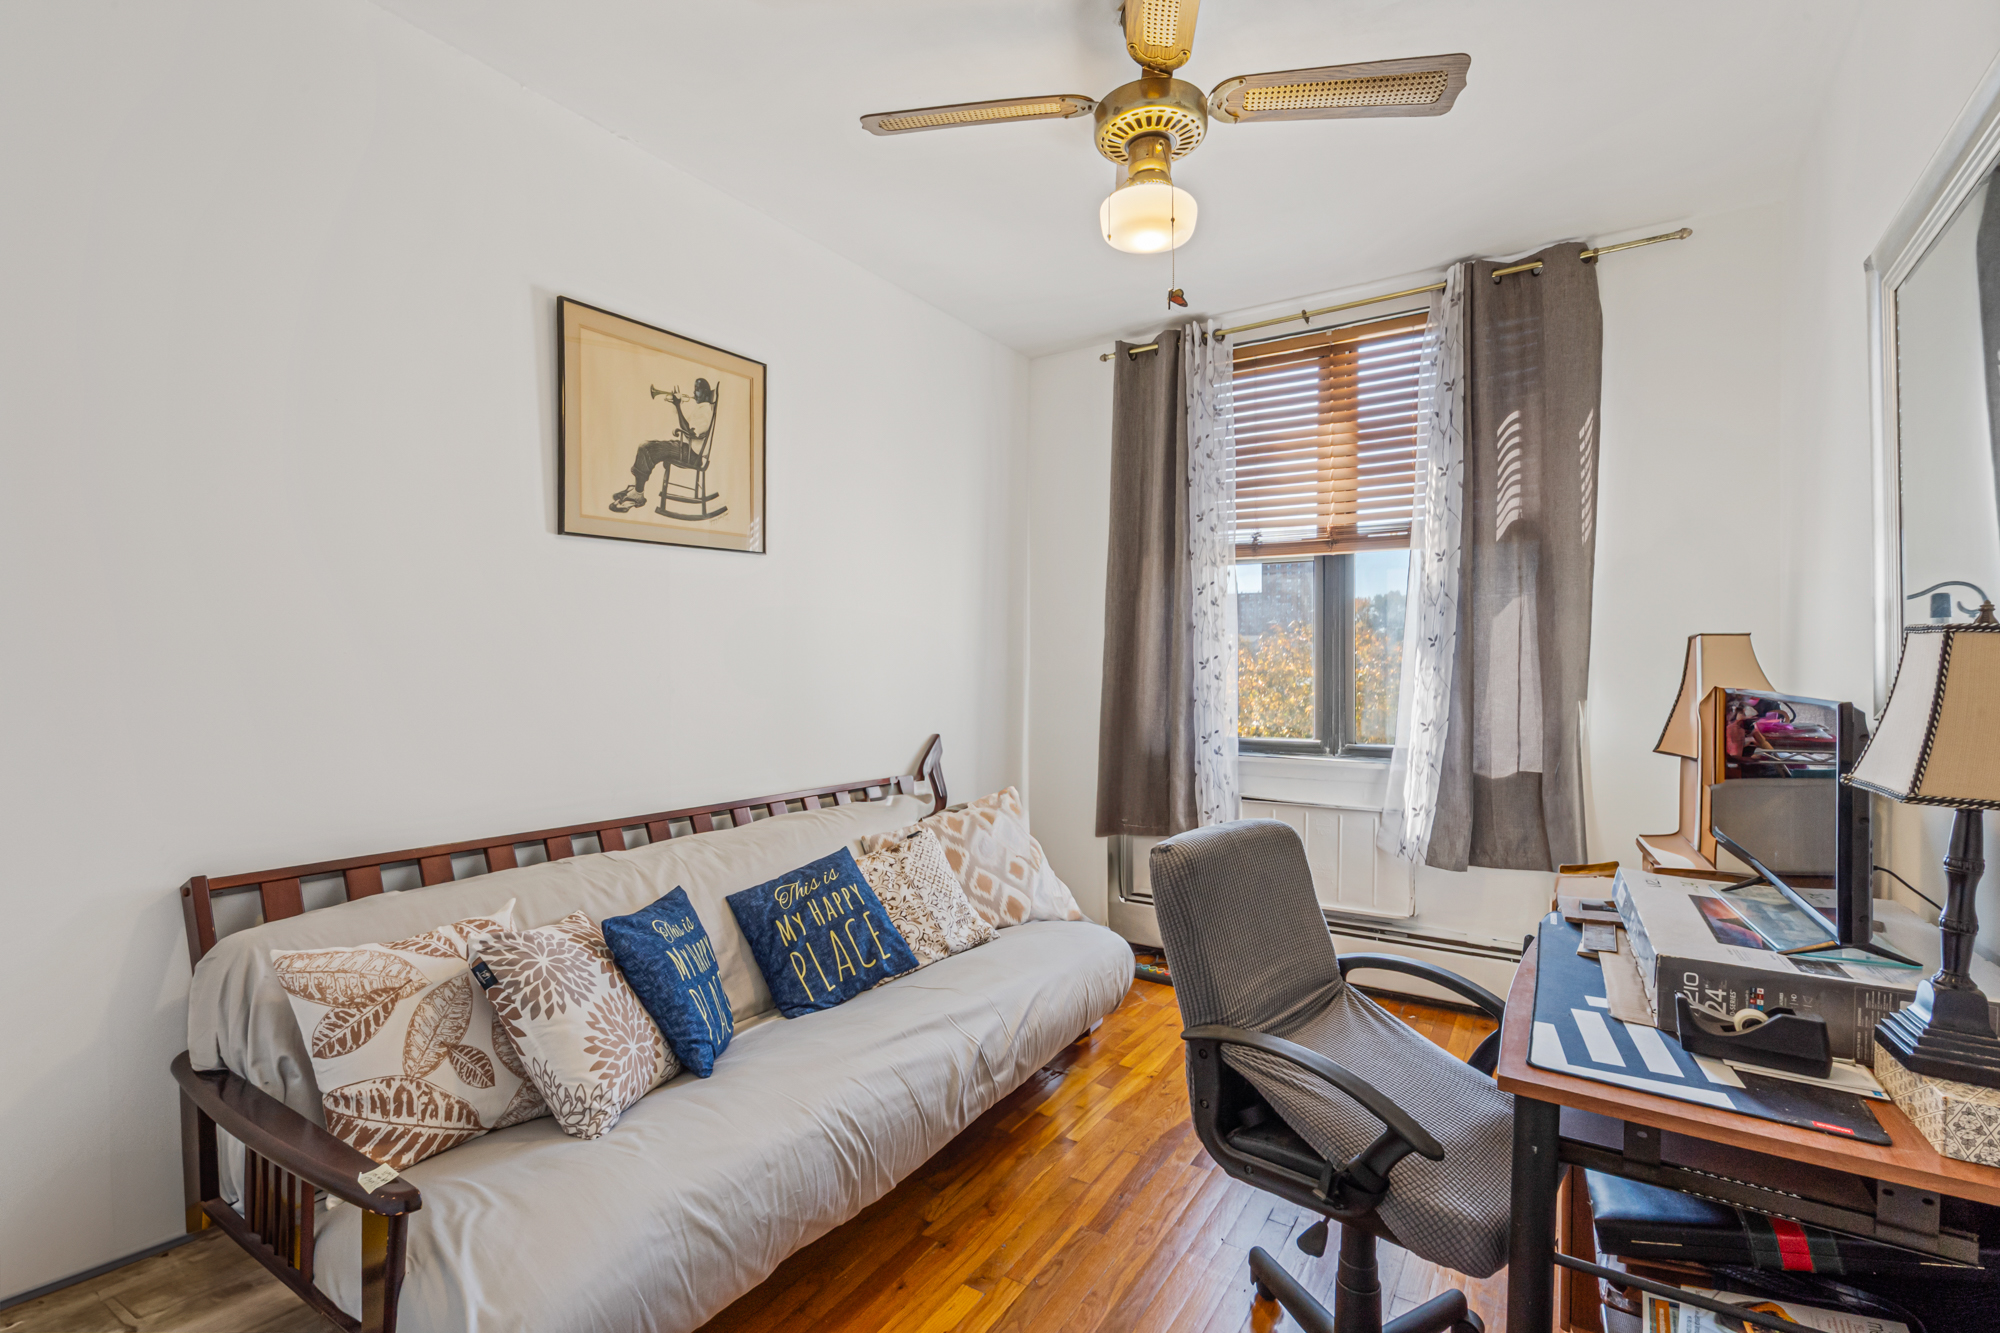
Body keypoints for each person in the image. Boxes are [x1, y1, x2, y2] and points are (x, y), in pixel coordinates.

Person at [609, 379, 717, 513]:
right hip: (687, 449)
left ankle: (637, 494)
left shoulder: (705, 410)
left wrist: (678, 406)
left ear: (705, 392)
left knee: (645, 447)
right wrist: (676, 406)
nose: (693, 393)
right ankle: (637, 488)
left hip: (691, 455)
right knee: (650, 446)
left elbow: (690, 432)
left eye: (697, 389)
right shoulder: (701, 408)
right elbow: (685, 426)